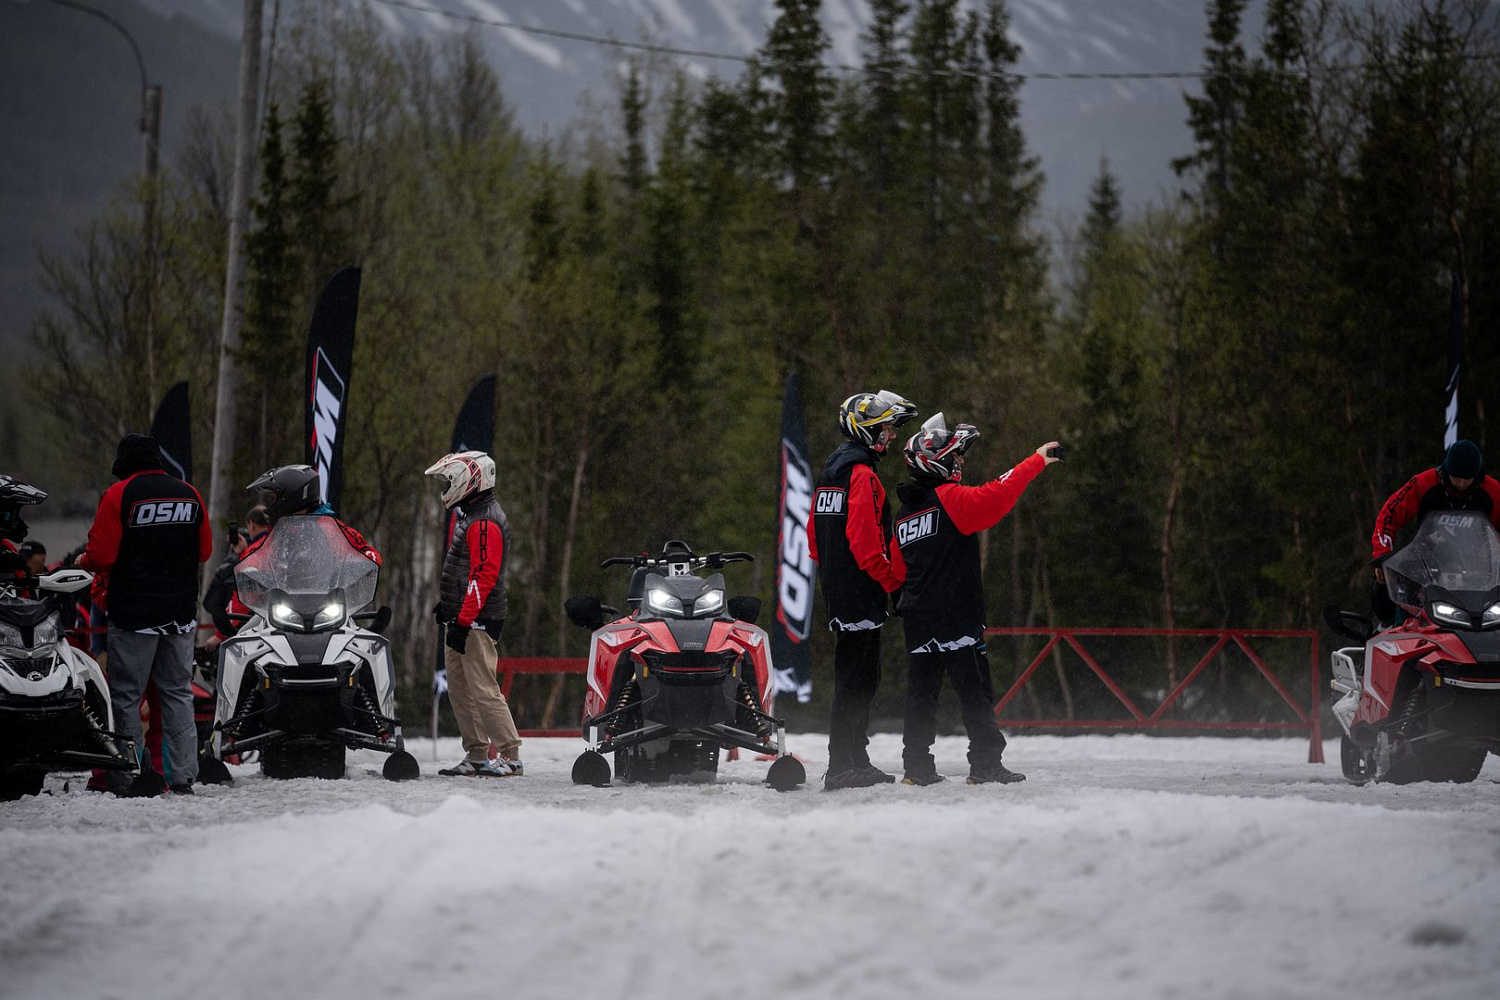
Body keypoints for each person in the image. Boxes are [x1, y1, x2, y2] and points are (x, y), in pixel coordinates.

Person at [893, 414, 1061, 786]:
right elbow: (996, 495)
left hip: (919, 615)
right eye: (957, 458)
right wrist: (1035, 461)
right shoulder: (949, 497)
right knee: (975, 692)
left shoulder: (904, 514)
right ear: (937, 461)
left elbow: (897, 571)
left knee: (921, 695)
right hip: (955, 614)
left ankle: (916, 768)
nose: (961, 463)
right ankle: (985, 763)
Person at [79, 434, 212, 796]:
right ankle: (183, 777)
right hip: (180, 615)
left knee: (126, 697)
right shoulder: (190, 493)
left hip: (134, 614)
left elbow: (102, 556)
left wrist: (84, 561)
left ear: (124, 463)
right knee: (178, 694)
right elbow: (205, 550)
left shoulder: (119, 494)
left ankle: (129, 775)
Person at [808, 389, 918, 790]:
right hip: (861, 589)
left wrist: (835, 575)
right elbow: (866, 543)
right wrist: (894, 584)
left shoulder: (831, 470)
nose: (890, 436)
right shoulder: (863, 474)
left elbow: (813, 539)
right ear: (867, 429)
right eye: (886, 428)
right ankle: (842, 765)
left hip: (839, 588)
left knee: (856, 677)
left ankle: (854, 758)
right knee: (858, 680)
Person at [425, 450, 523, 778]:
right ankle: (477, 754)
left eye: (450, 480)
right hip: (463, 616)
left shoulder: (484, 521)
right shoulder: (473, 514)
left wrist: (464, 620)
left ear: (469, 481)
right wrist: (450, 606)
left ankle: (510, 754)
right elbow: (466, 570)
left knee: (482, 687)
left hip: (477, 620)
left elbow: (483, 575)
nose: (446, 486)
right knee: (460, 688)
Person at [1371, 439, 1500, 626]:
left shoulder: (1492, 492)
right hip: (1426, 566)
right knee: (1393, 593)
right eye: (1456, 477)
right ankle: (1394, 629)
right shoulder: (1424, 483)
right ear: (1446, 471)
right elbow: (1390, 513)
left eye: (1467, 479)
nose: (1461, 484)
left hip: (1477, 572)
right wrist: (1382, 554)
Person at [242, 466, 380, 564]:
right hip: (283, 599)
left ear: (291, 495)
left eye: (274, 498)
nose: (271, 504)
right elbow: (260, 558)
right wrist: (249, 566)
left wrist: (362, 563)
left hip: (328, 597)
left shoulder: (328, 527)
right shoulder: (278, 532)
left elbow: (367, 552)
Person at [203, 505, 271, 647]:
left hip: (254, 623)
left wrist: (221, 634)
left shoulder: (254, 552)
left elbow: (243, 597)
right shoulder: (277, 543)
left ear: (251, 524)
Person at [0, 474, 47, 580]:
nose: (16, 521)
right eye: (11, 514)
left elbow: (24, 588)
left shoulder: (7, 546)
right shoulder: (6, 551)